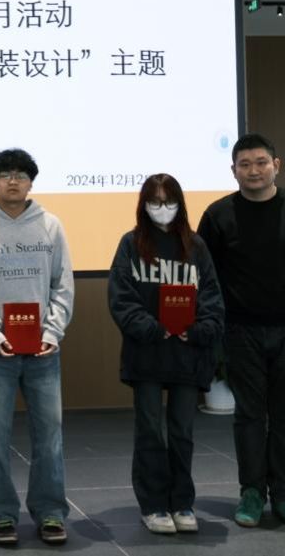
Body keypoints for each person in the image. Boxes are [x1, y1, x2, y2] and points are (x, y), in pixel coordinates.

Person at [197, 133, 285, 530]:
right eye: (245, 164)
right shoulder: (218, 214)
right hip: (240, 330)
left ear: (276, 165)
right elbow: (206, 271)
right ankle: (252, 493)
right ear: (233, 170)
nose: (253, 170)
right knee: (250, 416)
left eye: (260, 162)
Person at [0, 149, 73, 546]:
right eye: (5, 174)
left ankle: (51, 512)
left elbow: (62, 285)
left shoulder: (51, 226)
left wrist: (52, 332)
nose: (12, 180)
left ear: (31, 182)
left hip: (43, 352)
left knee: (50, 436)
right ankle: (1, 514)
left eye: (21, 174)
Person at [107, 174, 225, 535]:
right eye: (155, 202)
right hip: (146, 354)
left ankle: (182, 502)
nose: (162, 208)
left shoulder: (196, 246)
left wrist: (198, 329)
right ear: (144, 205)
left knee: (182, 432)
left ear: (180, 204)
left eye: (169, 201)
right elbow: (121, 298)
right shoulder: (130, 244)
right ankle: (154, 504)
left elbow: (212, 298)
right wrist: (152, 328)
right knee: (149, 431)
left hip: (188, 355)